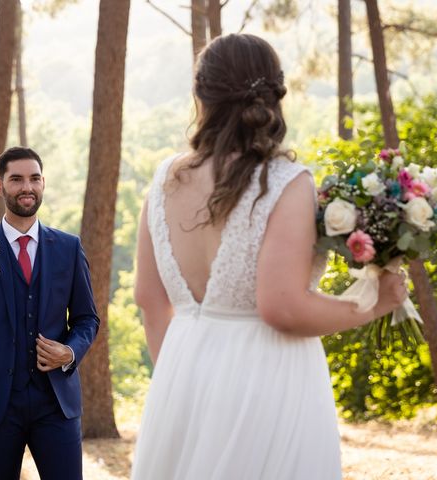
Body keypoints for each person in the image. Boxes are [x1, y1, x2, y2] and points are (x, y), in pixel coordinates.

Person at [131, 34, 407, 479]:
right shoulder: (285, 180)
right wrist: (376, 304)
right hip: (265, 379)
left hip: (180, 375)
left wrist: (182, 383)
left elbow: (148, 298)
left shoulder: (165, 178)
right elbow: (282, 308)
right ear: (275, 96)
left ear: (201, 95)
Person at [0, 146, 99, 479]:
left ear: (43, 183)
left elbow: (87, 319)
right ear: (0, 186)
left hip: (57, 403)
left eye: (34, 178)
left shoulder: (69, 248)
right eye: (17, 179)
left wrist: (70, 351)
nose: (27, 187)